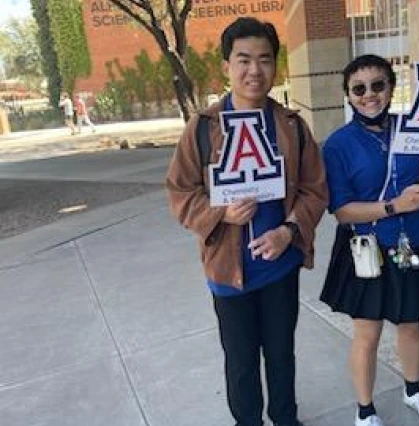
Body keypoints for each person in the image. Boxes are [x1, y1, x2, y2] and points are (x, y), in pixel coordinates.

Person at [165, 17, 328, 426]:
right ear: (226, 66)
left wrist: (288, 232)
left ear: (275, 66)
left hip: (280, 266)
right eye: (243, 60)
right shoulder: (203, 129)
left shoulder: (292, 127)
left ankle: (286, 418)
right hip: (228, 272)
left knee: (280, 353)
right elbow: (180, 191)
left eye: (264, 60)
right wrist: (221, 213)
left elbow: (315, 190)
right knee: (240, 361)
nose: (254, 70)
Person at [320, 54, 419, 426]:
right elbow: (342, 210)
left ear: (391, 87)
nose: (370, 95)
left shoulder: (413, 129)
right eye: (359, 88)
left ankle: (413, 391)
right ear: (348, 96)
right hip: (368, 249)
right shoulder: (338, 145)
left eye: (378, 85)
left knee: (411, 324)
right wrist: (393, 206)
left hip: (413, 242)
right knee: (367, 332)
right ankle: (365, 411)